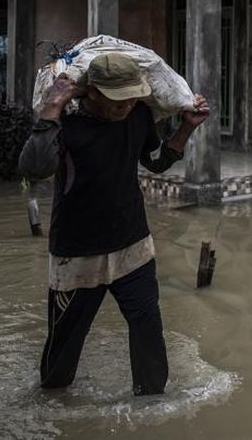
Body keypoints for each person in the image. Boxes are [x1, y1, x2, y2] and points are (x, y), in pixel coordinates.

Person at [18, 52, 210, 395]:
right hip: (76, 254)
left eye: (132, 98)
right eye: (118, 100)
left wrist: (186, 127)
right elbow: (34, 168)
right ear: (92, 92)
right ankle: (53, 407)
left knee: (148, 329)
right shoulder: (67, 122)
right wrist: (52, 107)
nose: (126, 106)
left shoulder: (137, 115)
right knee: (63, 350)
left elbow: (155, 161)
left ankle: (153, 404)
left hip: (133, 246)